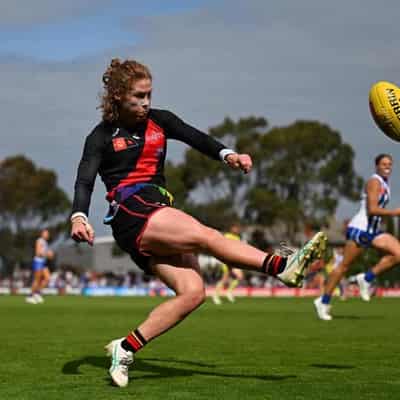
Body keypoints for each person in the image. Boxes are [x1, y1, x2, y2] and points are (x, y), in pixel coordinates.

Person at [70, 58, 327, 387]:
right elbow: (84, 181)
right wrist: (79, 215)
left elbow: (196, 138)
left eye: (149, 94)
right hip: (131, 211)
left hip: (156, 207)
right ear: (119, 95)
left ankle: (125, 347)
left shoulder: (160, 120)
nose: (146, 102)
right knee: (207, 236)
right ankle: (279, 266)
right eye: (138, 96)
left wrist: (228, 154)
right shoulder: (102, 136)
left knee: (192, 293)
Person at [314, 154, 400, 321]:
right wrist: (394, 213)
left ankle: (366, 278)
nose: (387, 167)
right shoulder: (374, 182)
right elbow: (373, 209)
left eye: (390, 164)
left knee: (398, 254)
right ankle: (323, 302)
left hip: (373, 231)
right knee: (343, 267)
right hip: (360, 230)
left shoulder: (384, 183)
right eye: (384, 164)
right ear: (377, 166)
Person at [212, 223, 244, 304]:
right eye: (235, 228)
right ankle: (215, 295)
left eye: (238, 228)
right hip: (226, 260)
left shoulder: (237, 237)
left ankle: (229, 292)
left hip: (234, 260)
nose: (237, 230)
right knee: (225, 278)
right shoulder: (227, 236)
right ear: (231, 228)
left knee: (240, 276)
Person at [26, 229, 53, 304]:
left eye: (48, 234)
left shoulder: (45, 242)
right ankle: (30, 296)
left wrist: (49, 255)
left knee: (47, 278)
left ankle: (37, 293)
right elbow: (38, 253)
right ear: (42, 234)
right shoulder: (39, 241)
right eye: (45, 233)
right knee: (37, 280)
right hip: (38, 262)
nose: (47, 235)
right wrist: (48, 254)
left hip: (43, 263)